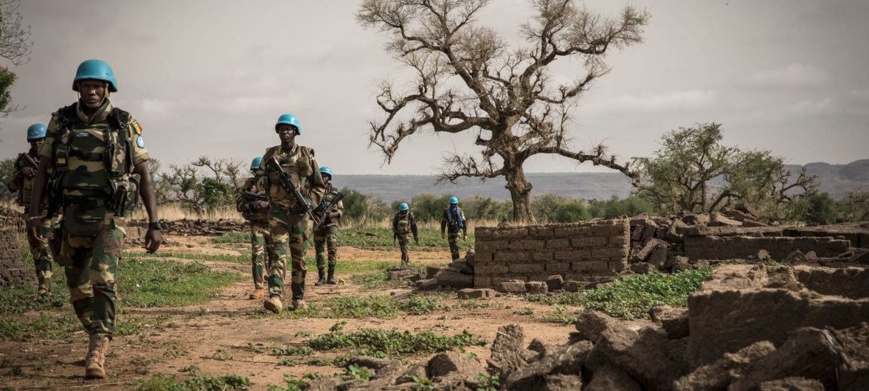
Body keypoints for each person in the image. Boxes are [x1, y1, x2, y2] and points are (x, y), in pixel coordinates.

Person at [26, 59, 162, 379]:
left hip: (109, 216)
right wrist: (35, 215)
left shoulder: (124, 123)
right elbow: (43, 170)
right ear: (78, 88)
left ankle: (97, 348)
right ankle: (95, 331)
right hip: (71, 214)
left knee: (103, 279)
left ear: (108, 88)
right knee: (76, 287)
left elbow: (144, 175)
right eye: (86, 85)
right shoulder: (61, 121)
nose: (92, 91)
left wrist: (155, 224)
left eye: (98, 85)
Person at [261, 113, 325, 314]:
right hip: (278, 213)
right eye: (282, 129)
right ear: (278, 132)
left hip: (300, 215)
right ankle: (276, 296)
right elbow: (256, 183)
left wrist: (309, 203)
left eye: (289, 129)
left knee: (299, 259)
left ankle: (298, 298)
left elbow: (319, 186)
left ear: (295, 132)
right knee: (277, 255)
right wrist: (270, 179)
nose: (285, 132)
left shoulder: (306, 155)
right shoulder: (270, 155)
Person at [7, 123, 58, 297]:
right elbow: (11, 187)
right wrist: (21, 173)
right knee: (37, 248)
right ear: (29, 142)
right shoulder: (22, 162)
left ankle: (45, 286)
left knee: (45, 246)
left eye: (40, 140)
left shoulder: (53, 159)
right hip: (31, 212)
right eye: (34, 141)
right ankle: (43, 285)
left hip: (50, 212)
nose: (37, 144)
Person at [235, 156, 272, 300]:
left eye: (261, 171)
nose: (258, 174)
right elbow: (239, 205)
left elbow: (282, 203)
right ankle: (259, 287)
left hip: (273, 225)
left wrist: (266, 205)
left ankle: (275, 288)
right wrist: (251, 205)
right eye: (256, 171)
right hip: (257, 224)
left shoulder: (274, 184)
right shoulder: (248, 185)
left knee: (274, 257)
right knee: (257, 255)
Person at [313, 166, 344, 286]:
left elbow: (341, 209)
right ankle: (321, 277)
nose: (323, 178)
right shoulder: (314, 191)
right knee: (319, 251)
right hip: (318, 223)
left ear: (329, 178)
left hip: (331, 224)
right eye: (321, 175)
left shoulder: (335, 192)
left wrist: (333, 214)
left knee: (332, 249)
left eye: (325, 176)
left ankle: (331, 276)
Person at [440, 196, 467, 262]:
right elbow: (443, 222)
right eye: (452, 204)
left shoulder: (460, 211)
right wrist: (442, 232)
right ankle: (454, 262)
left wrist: (465, 234)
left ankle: (458, 261)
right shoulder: (446, 212)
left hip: (458, 230)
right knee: (452, 248)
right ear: (450, 204)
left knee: (456, 246)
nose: (453, 205)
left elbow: (463, 222)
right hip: (450, 231)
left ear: (456, 204)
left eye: (454, 204)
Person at [392, 202, 419, 267]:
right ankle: (407, 260)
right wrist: (395, 230)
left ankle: (403, 263)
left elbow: (414, 226)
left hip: (407, 235)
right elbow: (394, 224)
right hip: (399, 235)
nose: (403, 212)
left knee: (405, 248)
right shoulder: (397, 215)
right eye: (402, 210)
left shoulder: (410, 215)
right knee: (403, 249)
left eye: (404, 210)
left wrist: (416, 236)